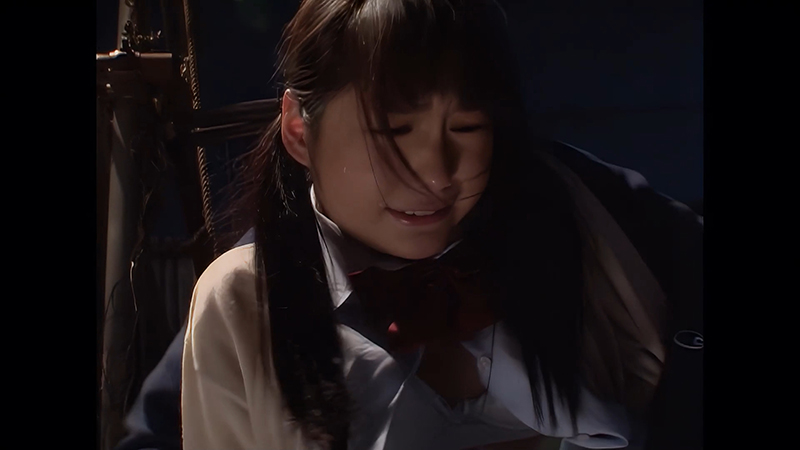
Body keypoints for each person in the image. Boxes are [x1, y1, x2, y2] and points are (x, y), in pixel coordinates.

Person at [116, 0, 703, 449]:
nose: (437, 173)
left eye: (467, 127)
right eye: (393, 131)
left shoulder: (565, 222)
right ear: (298, 130)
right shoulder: (246, 297)